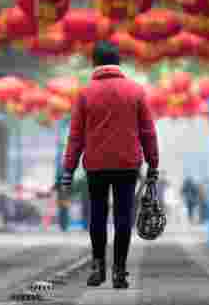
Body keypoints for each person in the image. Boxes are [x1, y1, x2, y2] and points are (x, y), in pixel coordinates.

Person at [59, 41, 159, 290]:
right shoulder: (135, 91)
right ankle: (120, 272)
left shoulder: (85, 94)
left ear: (94, 63)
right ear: (118, 64)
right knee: (123, 216)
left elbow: (76, 136)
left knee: (98, 215)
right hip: (127, 164)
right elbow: (148, 132)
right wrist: (153, 164)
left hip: (96, 165)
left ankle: (97, 268)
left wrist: (69, 170)